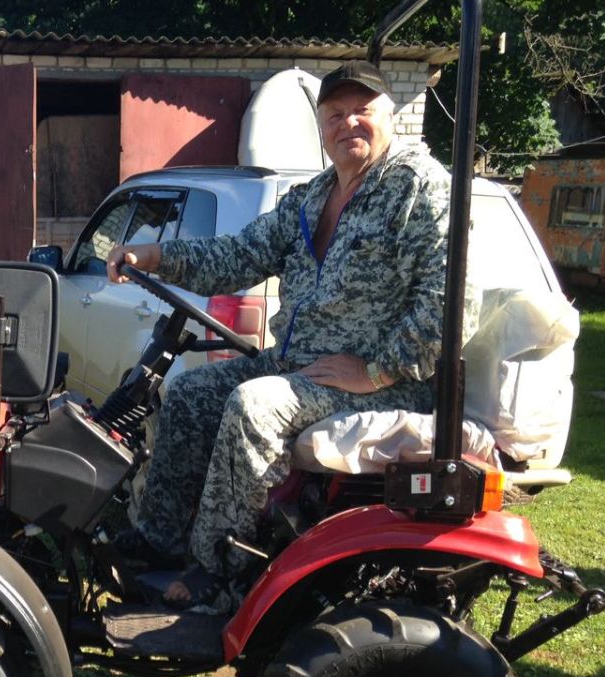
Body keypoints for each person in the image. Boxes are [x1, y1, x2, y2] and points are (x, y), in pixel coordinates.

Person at [105, 61, 457, 613]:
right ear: (321, 127)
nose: (350, 124)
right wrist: (155, 255)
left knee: (254, 406)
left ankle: (220, 573)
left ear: (391, 115)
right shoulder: (313, 196)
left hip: (387, 382)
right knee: (191, 392)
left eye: (363, 111)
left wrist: (374, 372)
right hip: (304, 367)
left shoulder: (421, 190)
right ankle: (159, 538)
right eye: (335, 114)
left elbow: (449, 306)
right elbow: (239, 254)